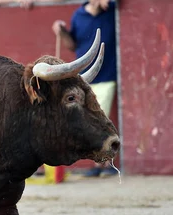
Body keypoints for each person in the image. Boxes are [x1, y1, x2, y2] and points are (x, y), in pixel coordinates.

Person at [53, 0, 119, 177]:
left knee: (100, 116)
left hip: (107, 74)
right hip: (85, 78)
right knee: (90, 119)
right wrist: (61, 30)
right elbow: (72, 44)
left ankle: (105, 164)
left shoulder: (113, 8)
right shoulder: (78, 15)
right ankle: (99, 163)